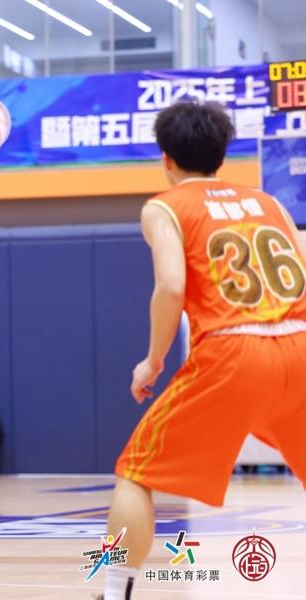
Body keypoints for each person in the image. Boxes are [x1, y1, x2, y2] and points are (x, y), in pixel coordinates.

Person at [100, 101, 306, 600]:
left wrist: (153, 360)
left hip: (235, 349)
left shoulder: (164, 207)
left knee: (135, 473)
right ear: (221, 156)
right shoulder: (270, 203)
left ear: (166, 158)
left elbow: (171, 285)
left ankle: (114, 591)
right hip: (300, 342)